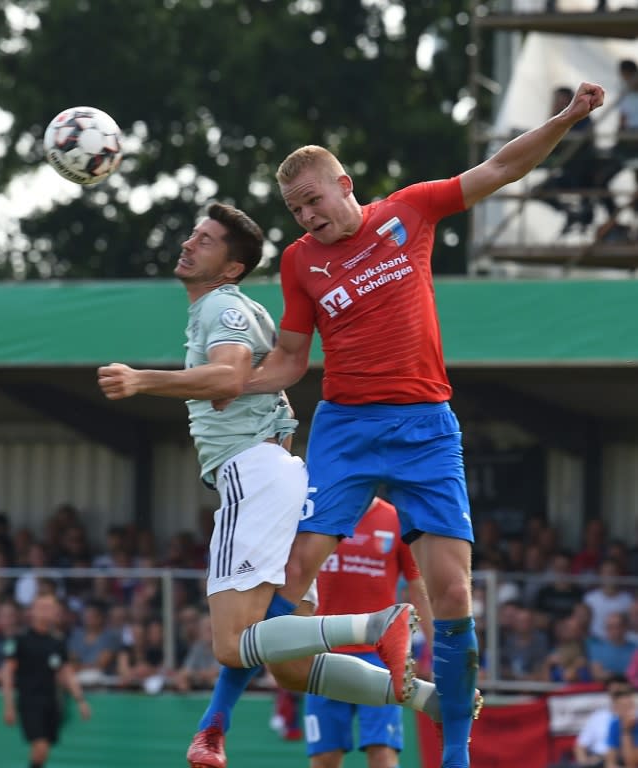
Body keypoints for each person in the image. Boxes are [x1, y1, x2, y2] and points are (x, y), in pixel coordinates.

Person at [235, 81, 604, 768]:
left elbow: (498, 169)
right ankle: (223, 715)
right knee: (291, 573)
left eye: (313, 199)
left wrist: (567, 117)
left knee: (454, 591)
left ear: (344, 185)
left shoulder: (407, 212)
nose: (306, 216)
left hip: (425, 424)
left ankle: (454, 753)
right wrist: (234, 388)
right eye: (294, 209)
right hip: (344, 426)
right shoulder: (298, 262)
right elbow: (290, 358)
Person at [97, 202, 443, 768]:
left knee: (232, 644)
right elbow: (265, 369)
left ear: (231, 268)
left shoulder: (221, 307)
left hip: (253, 475)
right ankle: (423, 695)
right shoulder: (230, 307)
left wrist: (140, 379)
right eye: (193, 234)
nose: (189, 244)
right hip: (280, 477)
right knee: (291, 664)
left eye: (205, 241)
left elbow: (230, 374)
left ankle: (376, 624)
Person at [304, 496, 433, 768]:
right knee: (325, 758)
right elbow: (293, 577)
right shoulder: (319, 508)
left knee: (382, 752)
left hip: (381, 657)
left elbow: (418, 589)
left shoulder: (397, 519)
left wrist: (440, 651)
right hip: (322, 653)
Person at [1, 594, 91, 768]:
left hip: (51, 701)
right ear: (32, 611)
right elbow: (7, 672)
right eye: (41, 607)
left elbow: (66, 672)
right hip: (29, 701)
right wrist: (8, 704)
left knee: (44, 750)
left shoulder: (57, 641)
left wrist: (80, 700)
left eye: (49, 607)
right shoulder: (20, 639)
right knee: (40, 746)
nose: (45, 611)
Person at [532, 86, 597, 234]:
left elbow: (580, 143)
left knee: (591, 198)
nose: (556, 102)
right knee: (538, 191)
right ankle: (571, 213)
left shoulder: (582, 117)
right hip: (568, 172)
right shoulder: (556, 120)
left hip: (583, 173)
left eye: (559, 99)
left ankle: (581, 216)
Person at [605, 682, 638, 768]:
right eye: (624, 707)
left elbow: (631, 763)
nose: (628, 710)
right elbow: (610, 762)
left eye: (630, 706)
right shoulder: (614, 724)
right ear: (615, 709)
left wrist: (626, 731)